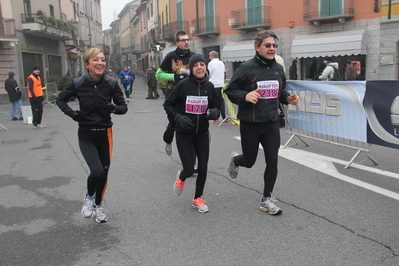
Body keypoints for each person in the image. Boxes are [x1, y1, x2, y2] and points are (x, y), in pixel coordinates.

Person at [224, 31, 299, 215]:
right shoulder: (246, 68)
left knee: (272, 160)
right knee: (249, 161)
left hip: (271, 123)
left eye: (274, 45)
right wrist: (245, 95)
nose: (272, 48)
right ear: (257, 48)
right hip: (251, 123)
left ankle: (266, 199)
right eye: (268, 45)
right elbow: (230, 90)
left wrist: (288, 98)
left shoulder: (278, 68)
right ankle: (236, 160)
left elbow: (281, 91)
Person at [56, 47, 128, 223]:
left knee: (103, 174)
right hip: (87, 134)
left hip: (105, 134)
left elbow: (123, 107)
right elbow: (60, 99)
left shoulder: (111, 83)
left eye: (102, 59)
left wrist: (113, 108)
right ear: (87, 63)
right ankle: (89, 198)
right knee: (96, 171)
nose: (100, 63)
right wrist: (73, 114)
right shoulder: (78, 83)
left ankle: (99, 206)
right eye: (95, 60)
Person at [164, 54, 219, 213]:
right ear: (192, 69)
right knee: (189, 169)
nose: (200, 67)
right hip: (184, 134)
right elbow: (168, 104)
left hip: (202, 133)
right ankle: (181, 177)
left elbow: (215, 105)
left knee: (203, 168)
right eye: (196, 65)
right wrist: (178, 118)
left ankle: (197, 198)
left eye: (202, 64)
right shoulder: (182, 85)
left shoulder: (209, 86)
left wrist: (215, 112)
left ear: (206, 67)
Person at [156, 30, 195, 155]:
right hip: (173, 94)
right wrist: (175, 77)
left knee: (190, 123)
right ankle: (168, 140)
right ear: (177, 43)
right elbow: (159, 74)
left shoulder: (193, 56)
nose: (187, 42)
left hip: (189, 95)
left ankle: (191, 156)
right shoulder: (171, 56)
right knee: (173, 122)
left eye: (188, 39)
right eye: (183, 40)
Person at [208, 50, 229, 124]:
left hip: (213, 84)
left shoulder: (211, 63)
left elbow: (209, 73)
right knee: (221, 101)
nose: (209, 57)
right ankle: (224, 117)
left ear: (212, 56)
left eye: (210, 56)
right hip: (221, 84)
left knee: (214, 102)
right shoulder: (221, 63)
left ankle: (215, 118)